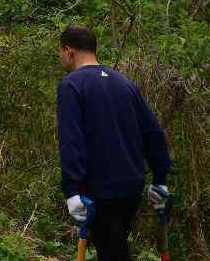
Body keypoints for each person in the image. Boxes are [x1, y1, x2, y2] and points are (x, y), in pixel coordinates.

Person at [56, 26, 172, 261]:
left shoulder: (72, 85)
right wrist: (160, 179)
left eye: (60, 52)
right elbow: (153, 133)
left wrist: (72, 190)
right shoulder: (125, 83)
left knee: (112, 252)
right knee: (115, 248)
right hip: (131, 187)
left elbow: (72, 140)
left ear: (68, 51)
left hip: (100, 190)